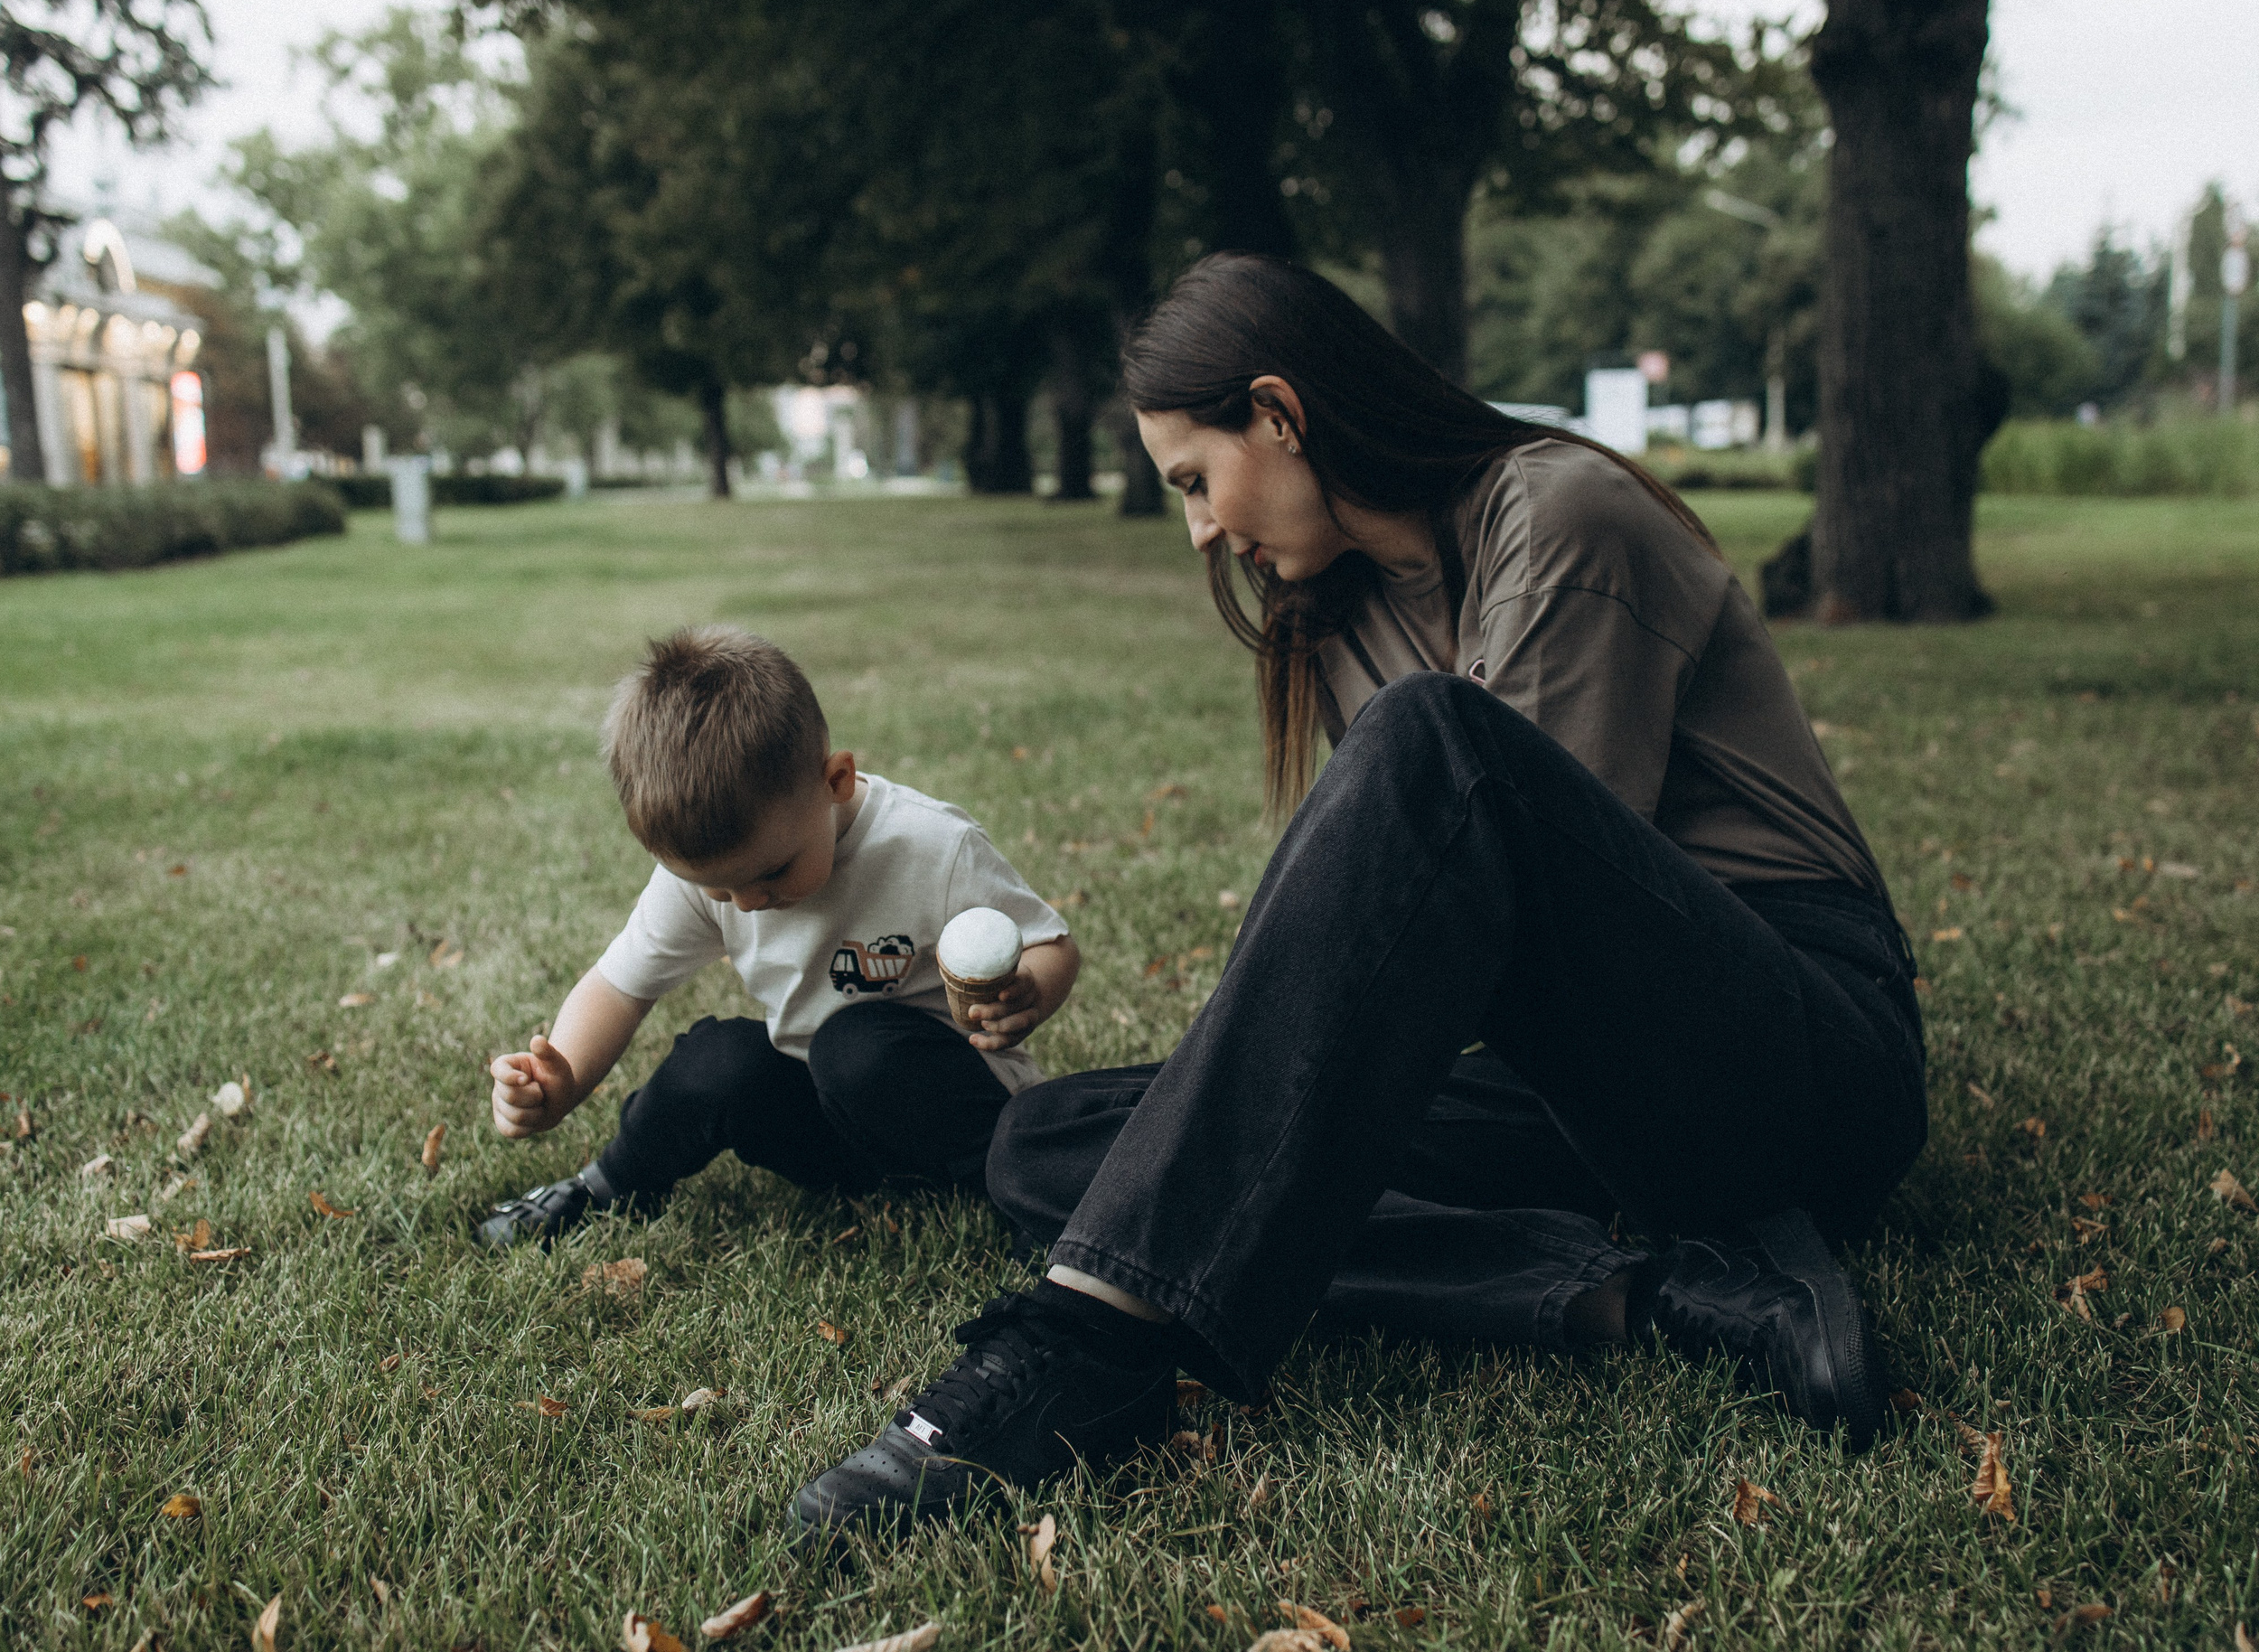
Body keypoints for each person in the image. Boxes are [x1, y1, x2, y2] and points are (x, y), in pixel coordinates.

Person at [791, 255, 1926, 1542]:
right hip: (1581, 1093)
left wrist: (1277, 1115)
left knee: (1432, 748)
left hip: (1793, 1061)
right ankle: (1653, 1292)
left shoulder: (1562, 516)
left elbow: (1506, 923)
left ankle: (1085, 1352)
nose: (1203, 532)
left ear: (1278, 414)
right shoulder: (1337, 616)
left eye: (1195, 482)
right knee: (1054, 1148)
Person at [476, 625, 1079, 1245]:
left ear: (836, 780)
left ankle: (1020, 1196)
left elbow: (1051, 944)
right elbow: (620, 985)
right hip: (828, 1124)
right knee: (717, 1060)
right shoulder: (717, 873)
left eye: (771, 873)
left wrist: (1031, 988)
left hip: (953, 1115)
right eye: (719, 890)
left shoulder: (930, 848)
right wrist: (564, 1078)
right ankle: (606, 1185)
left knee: (854, 1047)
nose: (749, 903)